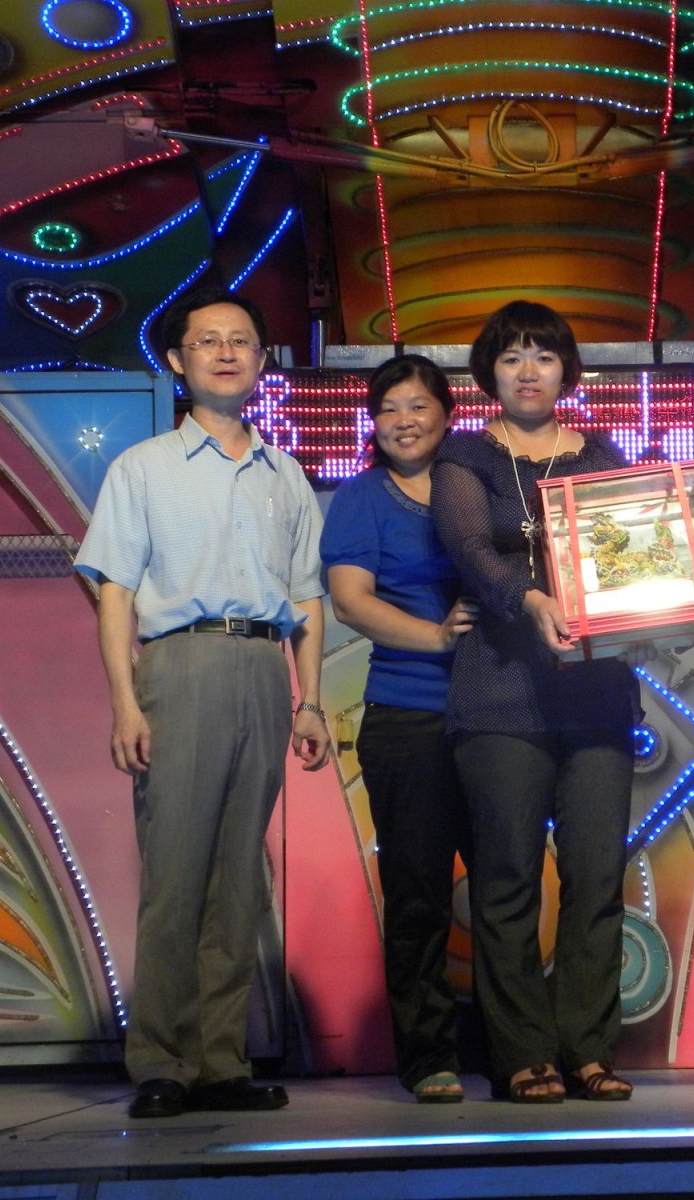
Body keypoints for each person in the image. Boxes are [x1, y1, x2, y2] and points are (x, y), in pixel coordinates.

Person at [75, 285, 330, 1120]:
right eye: (208, 340)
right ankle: (162, 1060)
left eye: (241, 340)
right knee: (176, 872)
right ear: (177, 361)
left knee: (238, 879)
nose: (226, 352)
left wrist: (310, 700)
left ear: (261, 361)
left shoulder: (285, 473)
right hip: (179, 666)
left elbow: (307, 596)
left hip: (263, 668)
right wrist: (125, 702)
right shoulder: (143, 467)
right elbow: (114, 591)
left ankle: (222, 1059)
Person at [431, 300, 640, 1104]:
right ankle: (522, 1053)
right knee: (508, 877)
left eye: (544, 356)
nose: (528, 371)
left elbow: (635, 555)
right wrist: (527, 598)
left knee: (596, 875)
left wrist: (669, 607)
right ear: (490, 372)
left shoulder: (603, 454)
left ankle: (589, 1050)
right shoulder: (465, 458)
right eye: (512, 356)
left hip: (595, 694)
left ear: (566, 371)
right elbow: (470, 549)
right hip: (499, 691)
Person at [321, 355, 478, 1103]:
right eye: (388, 409)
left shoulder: (480, 487)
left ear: (448, 414)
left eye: (418, 405)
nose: (404, 421)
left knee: (505, 890)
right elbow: (350, 601)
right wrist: (437, 638)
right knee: (418, 894)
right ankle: (428, 1057)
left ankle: (518, 1054)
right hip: (407, 715)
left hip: (496, 716)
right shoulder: (361, 498)